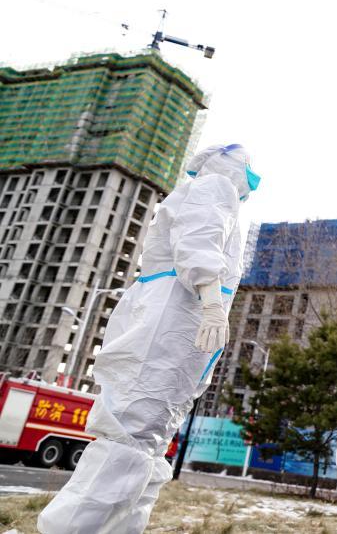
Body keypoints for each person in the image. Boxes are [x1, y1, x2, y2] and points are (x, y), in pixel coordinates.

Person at [38, 144, 260, 533]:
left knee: (148, 447)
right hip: (171, 321)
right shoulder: (214, 187)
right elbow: (199, 240)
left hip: (178, 325)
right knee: (131, 438)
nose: (252, 180)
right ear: (229, 166)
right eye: (249, 169)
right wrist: (211, 301)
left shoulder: (208, 194)